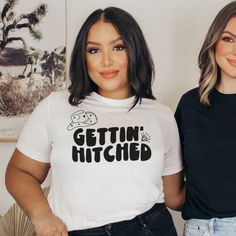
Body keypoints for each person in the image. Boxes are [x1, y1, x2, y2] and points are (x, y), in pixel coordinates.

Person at [6, 7, 185, 236]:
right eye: (94, 50)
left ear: (135, 51)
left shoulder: (161, 115)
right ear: (83, 55)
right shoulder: (57, 106)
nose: (106, 61)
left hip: (148, 227)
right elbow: (19, 172)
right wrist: (41, 215)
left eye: (118, 47)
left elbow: (174, 196)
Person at [175, 1, 236, 236]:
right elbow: (171, 178)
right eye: (228, 39)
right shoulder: (190, 104)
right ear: (214, 41)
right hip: (199, 229)